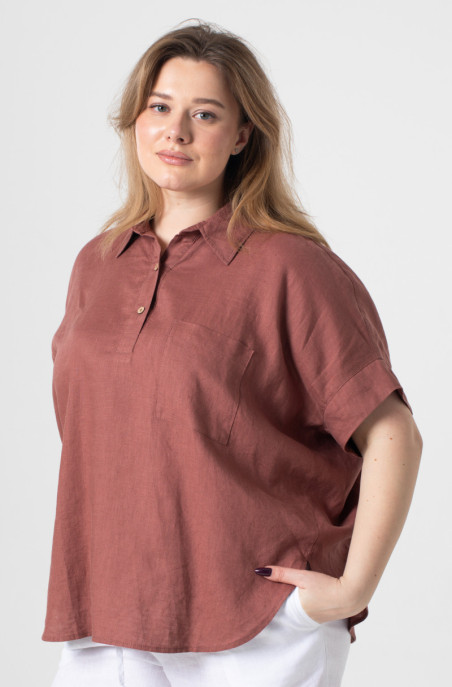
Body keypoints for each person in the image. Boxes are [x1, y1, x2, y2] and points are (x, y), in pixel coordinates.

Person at [42, 18, 423, 687]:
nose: (176, 132)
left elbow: (393, 434)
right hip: (104, 611)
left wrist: (348, 589)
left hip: (254, 625)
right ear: (135, 120)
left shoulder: (291, 267)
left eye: (205, 114)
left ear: (243, 135)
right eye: (160, 107)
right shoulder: (96, 265)